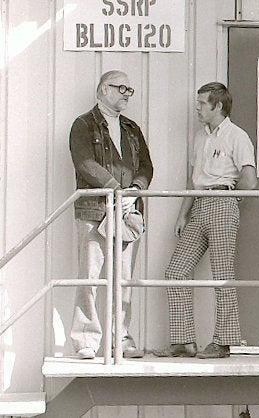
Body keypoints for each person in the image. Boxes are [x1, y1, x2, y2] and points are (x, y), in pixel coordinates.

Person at [155, 82, 257, 359]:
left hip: (223, 203)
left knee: (222, 274)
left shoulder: (236, 136)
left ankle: (223, 342)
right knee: (176, 271)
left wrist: (232, 200)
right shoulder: (201, 137)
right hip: (199, 205)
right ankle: (183, 341)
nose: (197, 108)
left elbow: (249, 177)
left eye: (202, 104)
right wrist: (182, 214)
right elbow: (193, 179)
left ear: (218, 106)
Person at [69, 70, 153, 359]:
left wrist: (133, 191)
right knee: (90, 277)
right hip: (96, 210)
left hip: (128, 212)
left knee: (124, 279)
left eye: (130, 90)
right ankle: (86, 340)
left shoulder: (131, 128)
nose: (127, 94)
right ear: (104, 89)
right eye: (122, 88)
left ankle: (122, 339)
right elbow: (85, 163)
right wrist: (117, 190)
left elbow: (146, 166)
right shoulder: (83, 125)